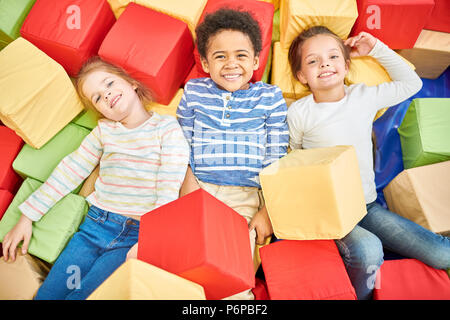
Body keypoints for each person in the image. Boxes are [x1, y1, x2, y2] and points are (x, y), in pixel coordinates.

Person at [1, 57, 190, 300]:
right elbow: (70, 171)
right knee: (49, 294)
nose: (107, 94)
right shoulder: (104, 132)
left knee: (85, 296)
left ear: (131, 83)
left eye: (109, 83)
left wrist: (152, 239)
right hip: (94, 227)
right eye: (98, 97)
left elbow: (168, 187)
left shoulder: (167, 128)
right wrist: (27, 217)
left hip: (136, 235)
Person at [287, 26, 450, 300]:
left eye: (332, 57)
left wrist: (375, 48)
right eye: (313, 61)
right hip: (330, 212)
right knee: (370, 250)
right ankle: (358, 296)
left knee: (441, 252)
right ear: (302, 76)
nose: (324, 63)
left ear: (346, 65)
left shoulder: (362, 97)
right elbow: (291, 159)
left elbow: (413, 84)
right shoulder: (300, 112)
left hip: (367, 205)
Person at [177, 8, 289, 300]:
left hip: (246, 195)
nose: (231, 64)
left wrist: (269, 210)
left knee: (232, 280)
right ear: (204, 63)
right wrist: (188, 182)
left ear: (255, 61)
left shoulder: (269, 97)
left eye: (241, 55)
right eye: (220, 56)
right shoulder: (194, 91)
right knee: (185, 269)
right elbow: (180, 141)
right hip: (199, 189)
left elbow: (277, 156)